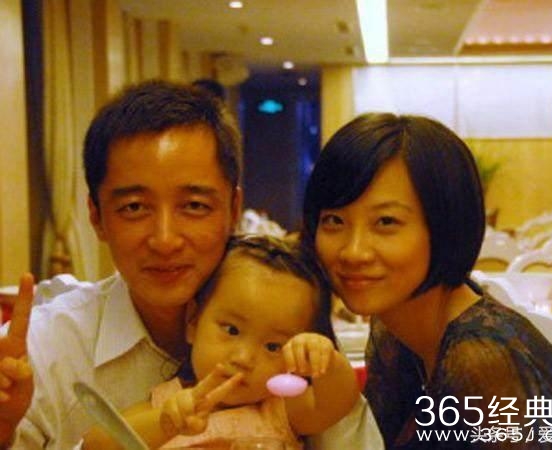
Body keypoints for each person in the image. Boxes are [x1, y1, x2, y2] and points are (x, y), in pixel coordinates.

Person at [0, 80, 383, 449]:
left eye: (194, 206)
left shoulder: (288, 341)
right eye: (134, 207)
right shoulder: (42, 350)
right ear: (96, 216)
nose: (165, 239)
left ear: (233, 208)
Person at [301, 113, 552, 449]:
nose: (354, 252)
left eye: (386, 222)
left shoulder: (481, 362)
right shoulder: (395, 326)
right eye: (334, 220)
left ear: (444, 226)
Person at [83, 235, 359, 449]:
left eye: (273, 347)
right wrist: (165, 423)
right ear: (193, 321)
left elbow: (338, 402)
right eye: (232, 330)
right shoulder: (168, 402)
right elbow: (96, 444)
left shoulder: (281, 409)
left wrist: (325, 359)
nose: (243, 358)